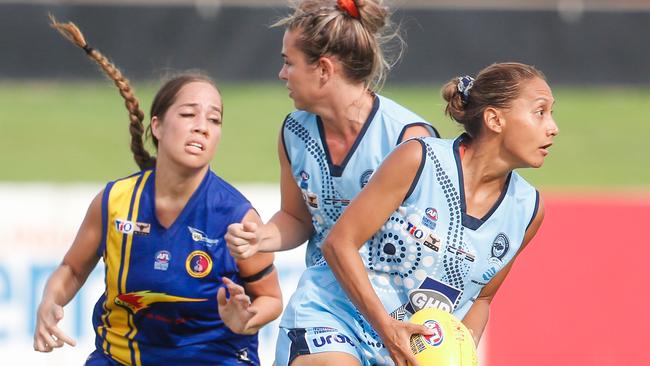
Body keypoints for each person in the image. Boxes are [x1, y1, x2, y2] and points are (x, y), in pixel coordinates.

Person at [33, 18, 282, 366]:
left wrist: (248, 319)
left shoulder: (235, 216)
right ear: (158, 125)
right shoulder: (113, 202)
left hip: (212, 358)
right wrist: (49, 301)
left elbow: (270, 298)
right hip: (120, 357)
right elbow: (72, 270)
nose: (202, 126)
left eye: (214, 119)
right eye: (189, 114)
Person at [225, 1, 438, 365]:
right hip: (325, 305)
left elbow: (434, 244)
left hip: (400, 314)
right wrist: (262, 237)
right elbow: (297, 219)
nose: (281, 73)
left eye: (289, 62)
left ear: (323, 69)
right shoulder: (294, 132)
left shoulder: (409, 139)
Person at [316, 62, 559, 366]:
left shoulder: (529, 210)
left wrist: (459, 355)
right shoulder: (418, 159)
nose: (553, 127)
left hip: (406, 352)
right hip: (339, 321)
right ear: (495, 119)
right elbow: (338, 244)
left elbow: (481, 298)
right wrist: (387, 329)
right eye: (540, 112)